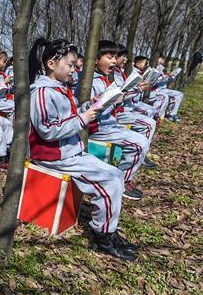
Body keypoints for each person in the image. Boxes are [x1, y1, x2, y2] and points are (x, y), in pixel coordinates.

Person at [27, 38, 136, 261]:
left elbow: (70, 116)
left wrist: (92, 105)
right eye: (70, 65)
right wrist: (82, 118)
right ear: (51, 64)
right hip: (54, 155)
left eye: (76, 65)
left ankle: (109, 231)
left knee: (114, 175)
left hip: (68, 151)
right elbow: (47, 130)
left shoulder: (59, 88)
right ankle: (103, 235)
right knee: (110, 180)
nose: (74, 70)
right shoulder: (41, 92)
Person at [89, 40, 151, 201]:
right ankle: (124, 181)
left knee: (142, 139)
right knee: (139, 144)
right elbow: (89, 108)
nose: (114, 61)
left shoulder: (105, 78)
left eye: (115, 57)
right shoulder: (90, 81)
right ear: (95, 59)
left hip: (109, 123)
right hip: (99, 127)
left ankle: (124, 177)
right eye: (110, 57)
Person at [154, 56, 185, 121]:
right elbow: (155, 81)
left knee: (180, 94)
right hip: (156, 89)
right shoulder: (153, 69)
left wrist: (170, 77)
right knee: (171, 95)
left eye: (163, 59)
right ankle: (169, 115)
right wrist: (167, 76)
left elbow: (163, 80)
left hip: (162, 88)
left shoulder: (161, 69)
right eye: (161, 59)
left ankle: (172, 114)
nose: (162, 61)